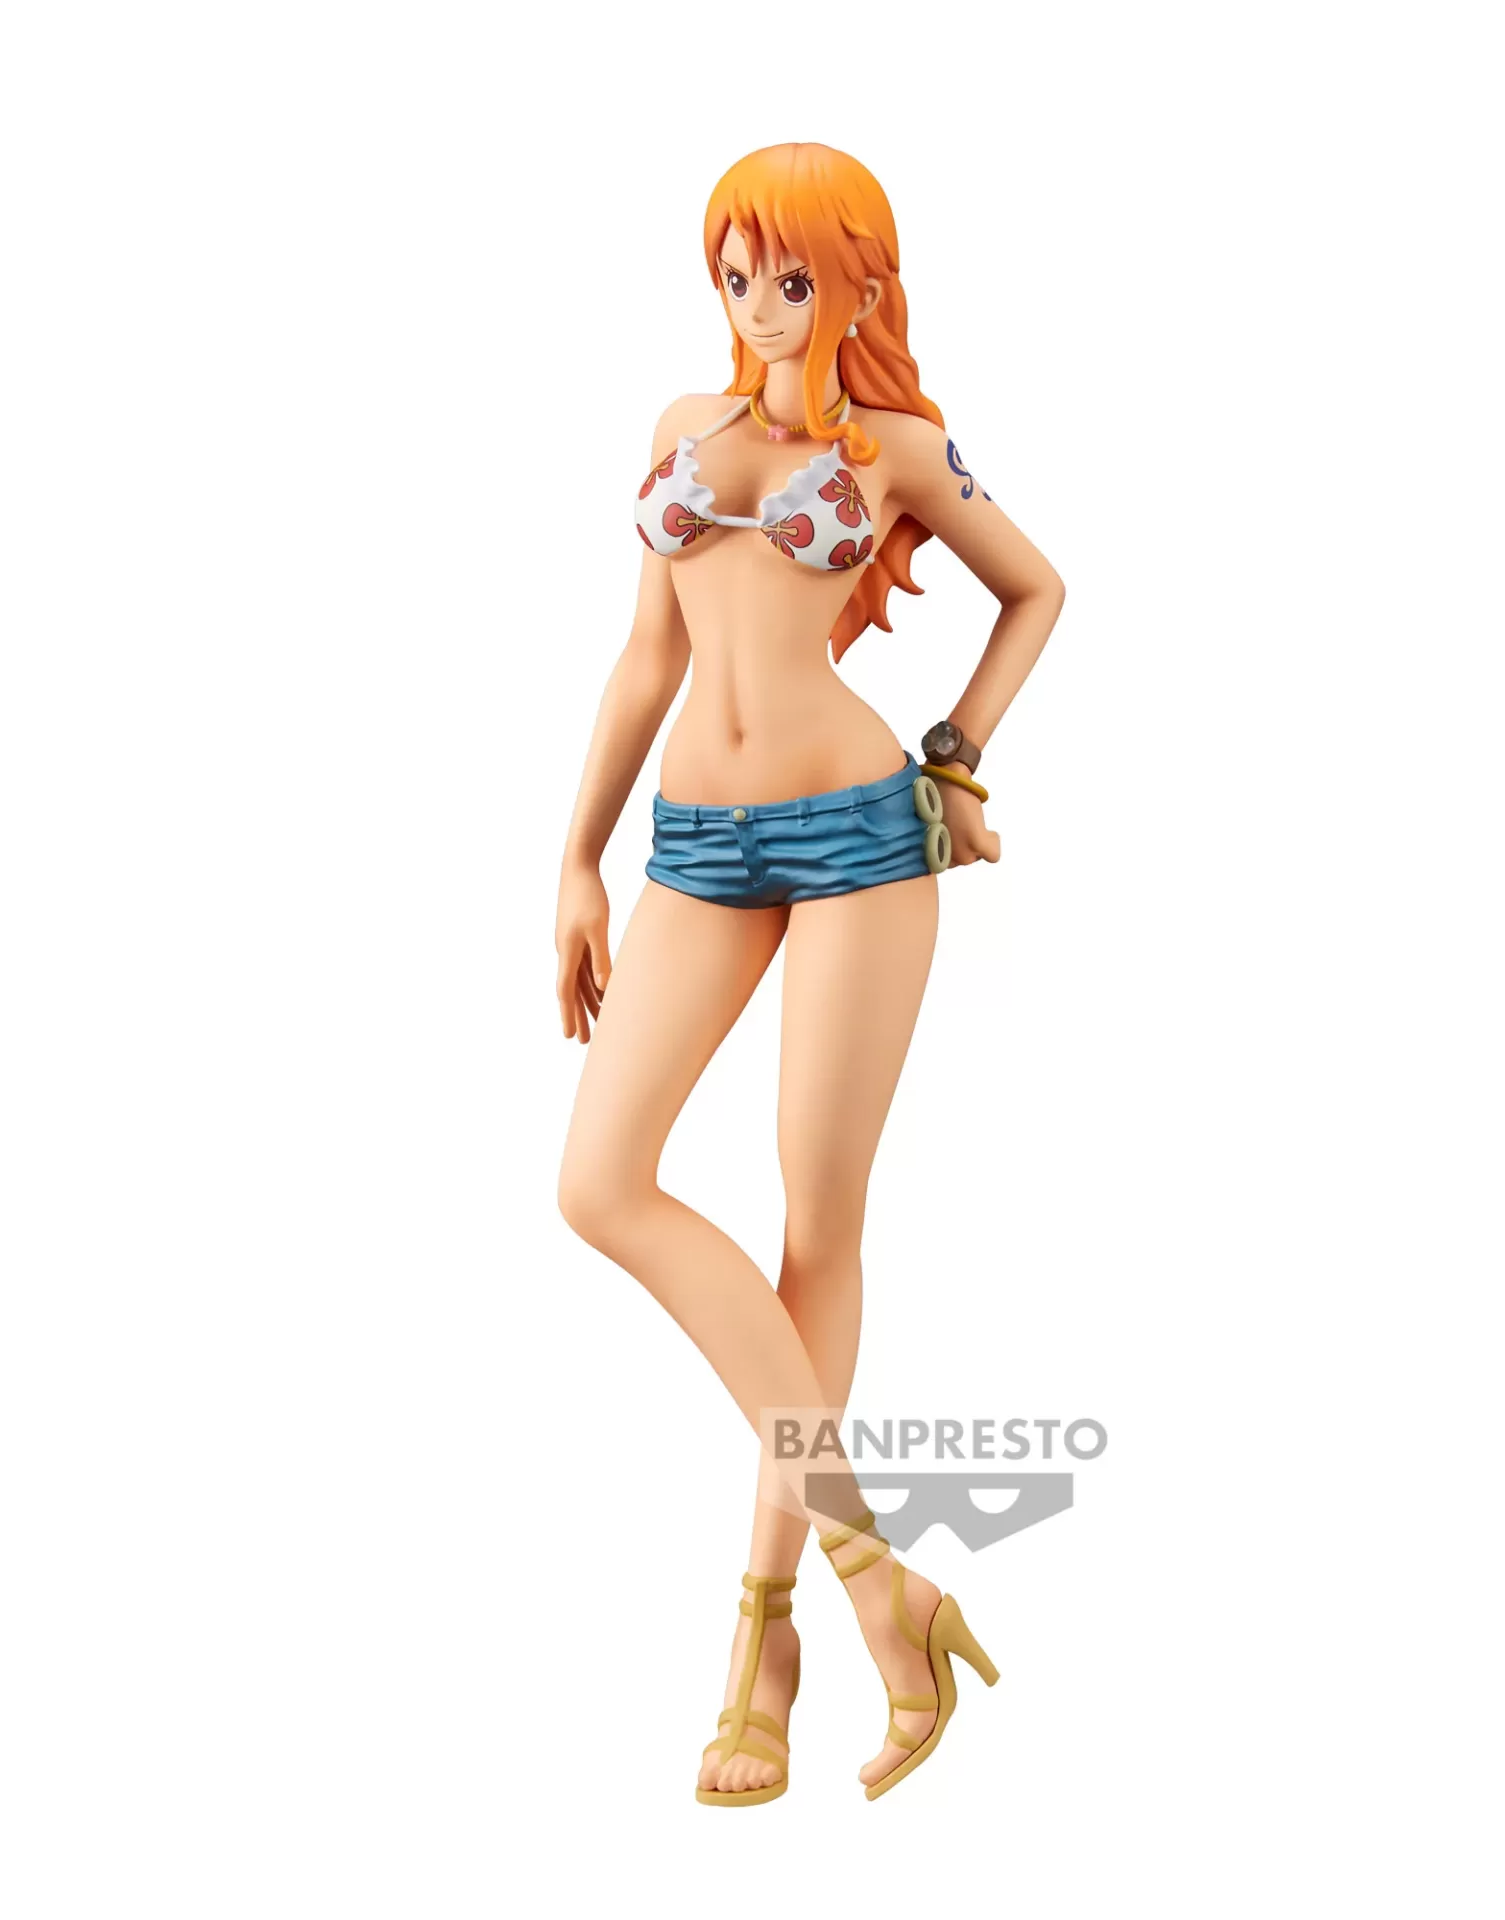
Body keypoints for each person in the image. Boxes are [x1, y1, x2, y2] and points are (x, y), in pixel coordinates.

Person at [554, 143, 1065, 1804]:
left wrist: (959, 755)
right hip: (695, 847)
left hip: (859, 837)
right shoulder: (678, 431)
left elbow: (1037, 589)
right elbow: (647, 655)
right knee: (599, 1184)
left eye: (792, 277)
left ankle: (761, 1642)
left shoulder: (898, 449)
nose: (761, 305)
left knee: (815, 1228)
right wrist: (575, 856)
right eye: (737, 273)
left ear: (860, 287)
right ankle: (880, 1580)